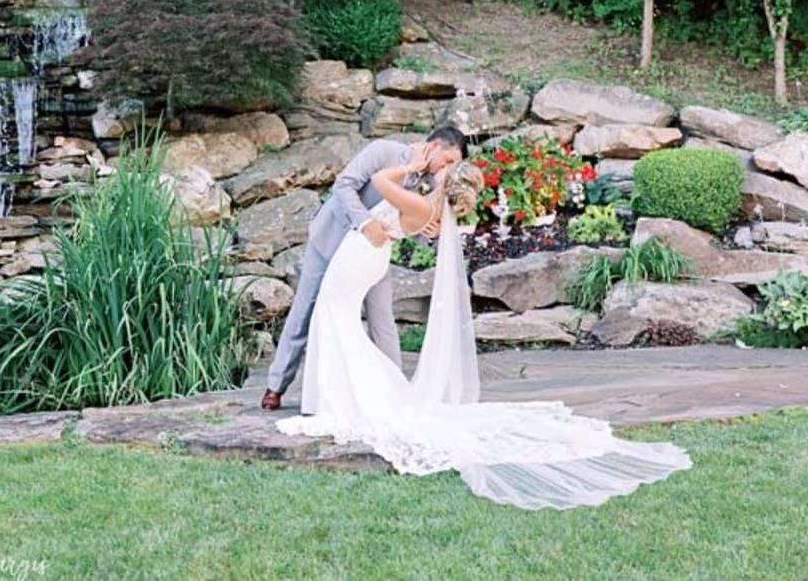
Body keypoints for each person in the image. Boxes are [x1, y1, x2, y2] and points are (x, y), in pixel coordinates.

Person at [274, 147, 693, 511]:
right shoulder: (429, 209)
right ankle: (331, 394)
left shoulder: (422, 206)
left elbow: (381, 180)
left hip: (361, 254)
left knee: (334, 318)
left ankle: (342, 397)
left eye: (445, 167)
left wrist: (409, 167)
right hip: (367, 255)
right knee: (337, 321)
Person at [261, 126, 468, 411]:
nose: (445, 169)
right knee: (305, 310)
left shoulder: (430, 184)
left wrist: (428, 232)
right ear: (433, 146)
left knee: (382, 319)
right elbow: (344, 185)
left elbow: (411, 224)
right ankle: (276, 386)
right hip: (332, 240)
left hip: (372, 255)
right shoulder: (384, 151)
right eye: (447, 161)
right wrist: (366, 223)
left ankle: (394, 392)